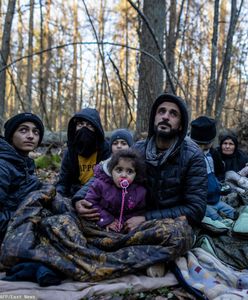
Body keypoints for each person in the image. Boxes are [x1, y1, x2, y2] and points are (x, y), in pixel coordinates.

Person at [75, 93, 208, 230]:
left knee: (177, 235)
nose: (165, 117)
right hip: (130, 216)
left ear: (181, 125)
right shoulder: (139, 148)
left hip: (166, 223)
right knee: (66, 214)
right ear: (154, 118)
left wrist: (147, 219)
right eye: (161, 111)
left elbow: (195, 209)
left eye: (173, 114)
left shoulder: (193, 156)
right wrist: (79, 198)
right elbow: (105, 172)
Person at [0, 112, 44, 243]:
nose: (31, 136)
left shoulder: (25, 163)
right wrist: (27, 215)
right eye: (23, 130)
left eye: (36, 132)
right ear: (11, 135)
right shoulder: (3, 166)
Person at [84, 148, 146, 232]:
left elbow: (138, 212)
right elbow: (91, 202)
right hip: (101, 222)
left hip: (124, 227)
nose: (124, 175)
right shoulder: (100, 184)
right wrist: (107, 220)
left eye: (129, 171)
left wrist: (122, 222)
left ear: (136, 174)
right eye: (119, 170)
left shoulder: (140, 192)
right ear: (111, 171)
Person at [72, 128, 134, 209]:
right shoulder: (104, 167)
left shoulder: (137, 166)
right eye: (115, 143)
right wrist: (78, 198)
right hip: (106, 210)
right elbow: (91, 184)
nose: (119, 146)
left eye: (123, 143)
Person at [56, 108, 110, 197]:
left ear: (96, 128)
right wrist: (58, 197)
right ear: (75, 128)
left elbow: (106, 181)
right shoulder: (70, 152)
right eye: (80, 124)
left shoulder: (105, 150)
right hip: (74, 193)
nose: (84, 129)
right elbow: (63, 182)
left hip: (99, 194)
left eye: (89, 125)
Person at [190, 116, 236, 221]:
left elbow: (217, 173)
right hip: (202, 204)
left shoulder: (212, 154)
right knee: (218, 221)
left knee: (234, 213)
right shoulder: (189, 156)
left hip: (216, 199)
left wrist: (218, 186)